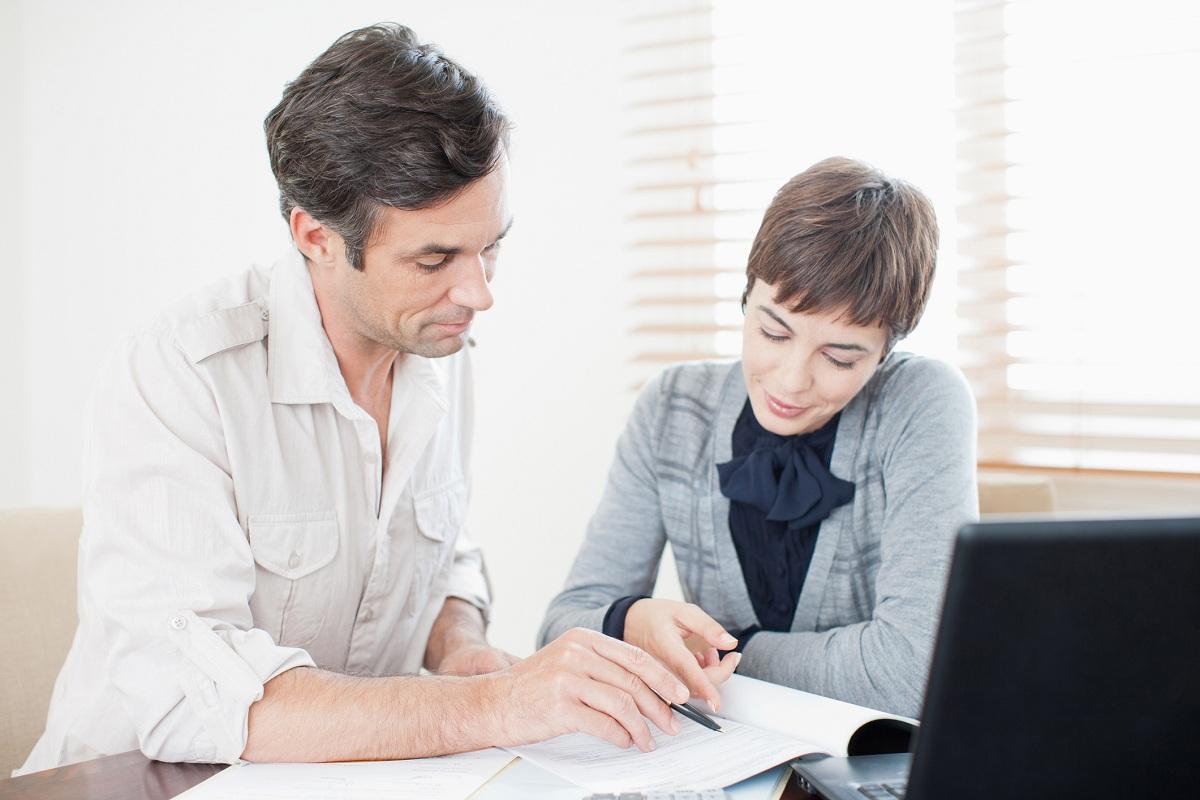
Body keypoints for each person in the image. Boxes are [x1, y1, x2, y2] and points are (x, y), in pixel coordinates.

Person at [16, 23, 707, 776]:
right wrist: (501, 702)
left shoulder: (437, 345)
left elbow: (444, 554)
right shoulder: (181, 373)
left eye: (490, 246)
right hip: (136, 784)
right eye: (434, 258)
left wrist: (459, 647)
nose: (479, 293)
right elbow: (197, 701)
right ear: (315, 237)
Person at [540, 157, 979, 718]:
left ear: (885, 353)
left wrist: (729, 651)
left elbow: (913, 672)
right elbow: (563, 625)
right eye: (773, 331)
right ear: (746, 297)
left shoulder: (920, 401)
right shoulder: (674, 409)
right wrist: (631, 620)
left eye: (840, 357)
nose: (792, 380)